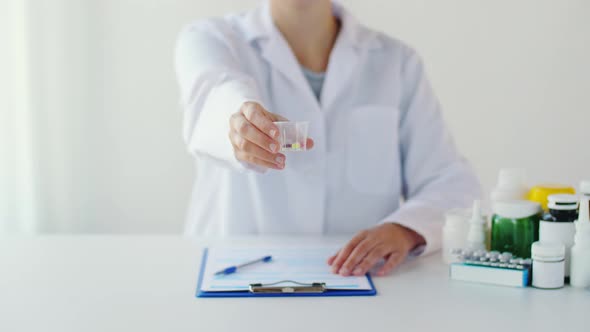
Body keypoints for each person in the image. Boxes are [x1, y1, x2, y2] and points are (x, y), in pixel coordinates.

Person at [175, 0, 480, 277]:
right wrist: (240, 121)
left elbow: (451, 183)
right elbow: (215, 92)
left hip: (360, 282)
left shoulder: (397, 62)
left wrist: (404, 230)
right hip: (234, 278)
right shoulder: (211, 38)